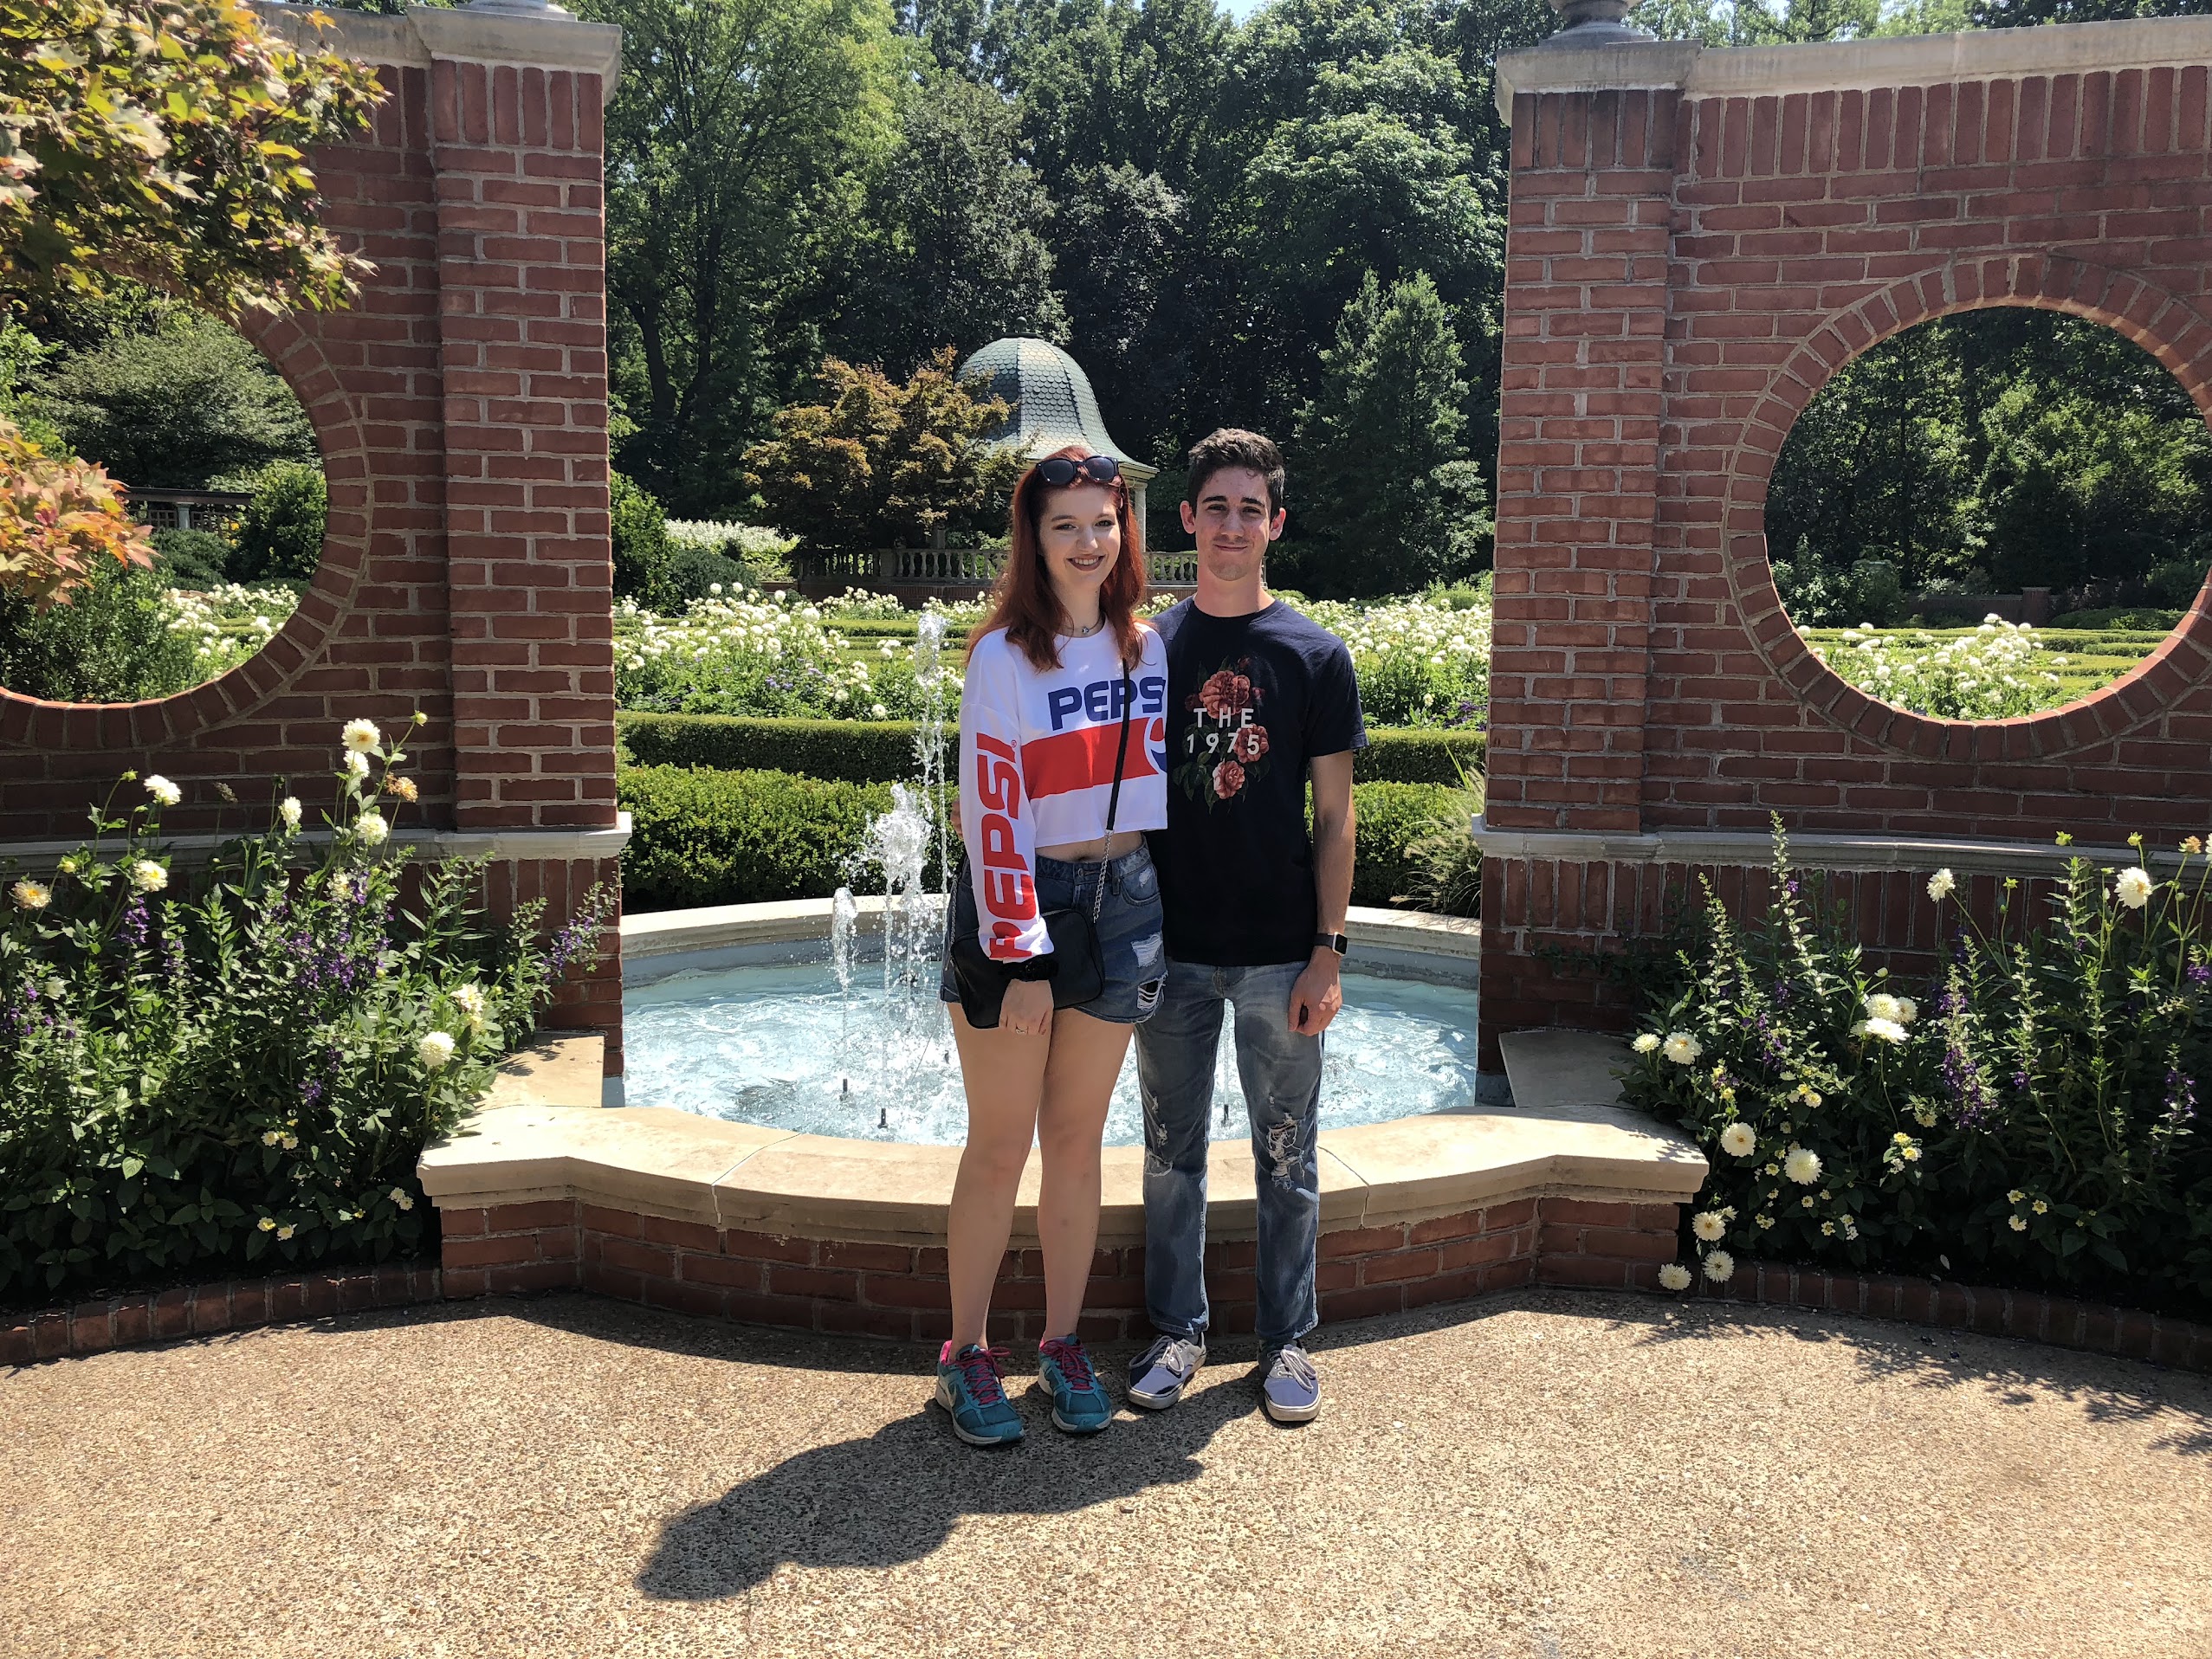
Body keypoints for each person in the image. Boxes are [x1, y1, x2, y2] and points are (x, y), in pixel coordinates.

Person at [932, 445, 1171, 1447]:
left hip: (1123, 900)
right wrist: (1022, 953)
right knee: (1000, 1143)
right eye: (1064, 524)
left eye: (1102, 522)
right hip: (1022, 901)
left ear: (1124, 530)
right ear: (1032, 538)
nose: (1087, 541)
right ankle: (965, 1353)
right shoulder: (1003, 655)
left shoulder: (1143, 647)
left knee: (1076, 1142)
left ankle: (1062, 1343)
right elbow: (989, 807)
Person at [1128, 428, 1364, 1425]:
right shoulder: (1146, 649)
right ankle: (1177, 1330)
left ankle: (1286, 1340)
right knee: (1169, 1153)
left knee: (1287, 1155)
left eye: (1250, 509)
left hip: (1278, 955)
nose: (1232, 525)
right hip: (1169, 952)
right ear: (1187, 518)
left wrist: (1326, 950)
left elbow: (1336, 816)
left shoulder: (1314, 654)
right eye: (1216, 507)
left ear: (1275, 522)